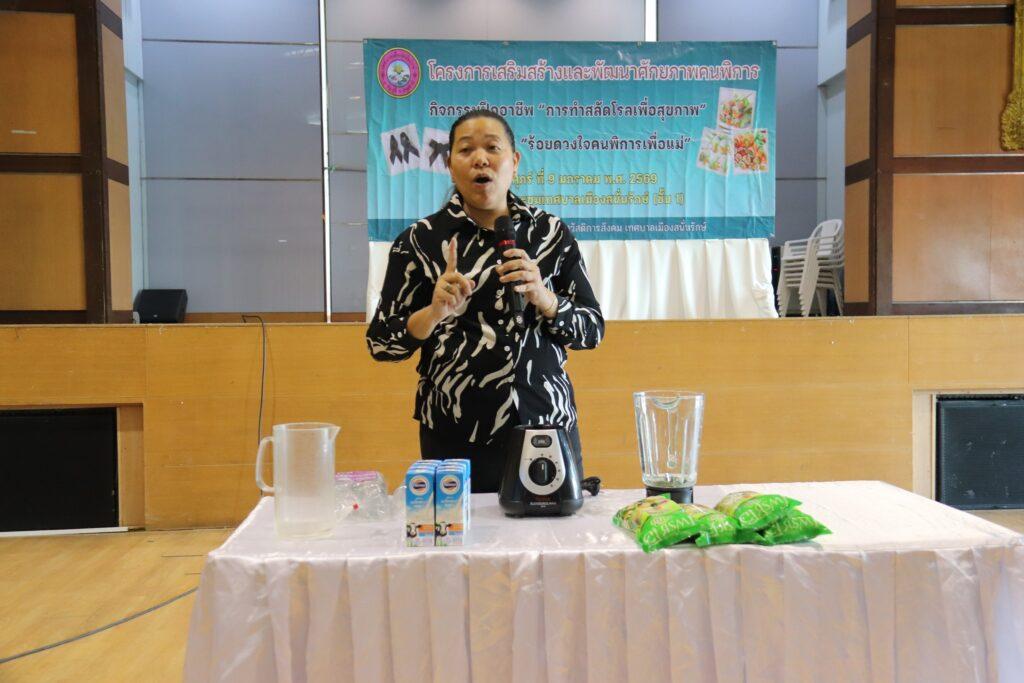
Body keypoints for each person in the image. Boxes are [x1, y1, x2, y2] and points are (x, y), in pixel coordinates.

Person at [366, 109, 604, 492]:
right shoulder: (419, 241)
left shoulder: (550, 234)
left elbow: (592, 330)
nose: (480, 159)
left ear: (514, 161)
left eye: (493, 148)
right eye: (466, 150)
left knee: (551, 531)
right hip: (455, 433)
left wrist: (544, 297)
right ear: (450, 165)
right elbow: (381, 343)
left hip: (546, 424)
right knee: (462, 532)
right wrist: (433, 312)